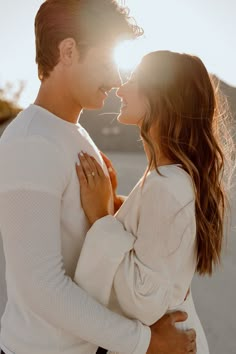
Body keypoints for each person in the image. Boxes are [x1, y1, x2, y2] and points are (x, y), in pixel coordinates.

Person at [0, 1, 196, 354]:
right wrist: (147, 342)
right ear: (69, 51)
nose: (117, 80)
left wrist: (115, 206)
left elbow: (82, 237)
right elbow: (40, 287)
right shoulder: (31, 141)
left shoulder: (73, 134)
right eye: (107, 62)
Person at [74, 50, 235, 353]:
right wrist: (116, 205)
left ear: (162, 96)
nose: (120, 88)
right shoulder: (169, 177)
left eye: (134, 79)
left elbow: (144, 301)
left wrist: (100, 218)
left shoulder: (167, 186)